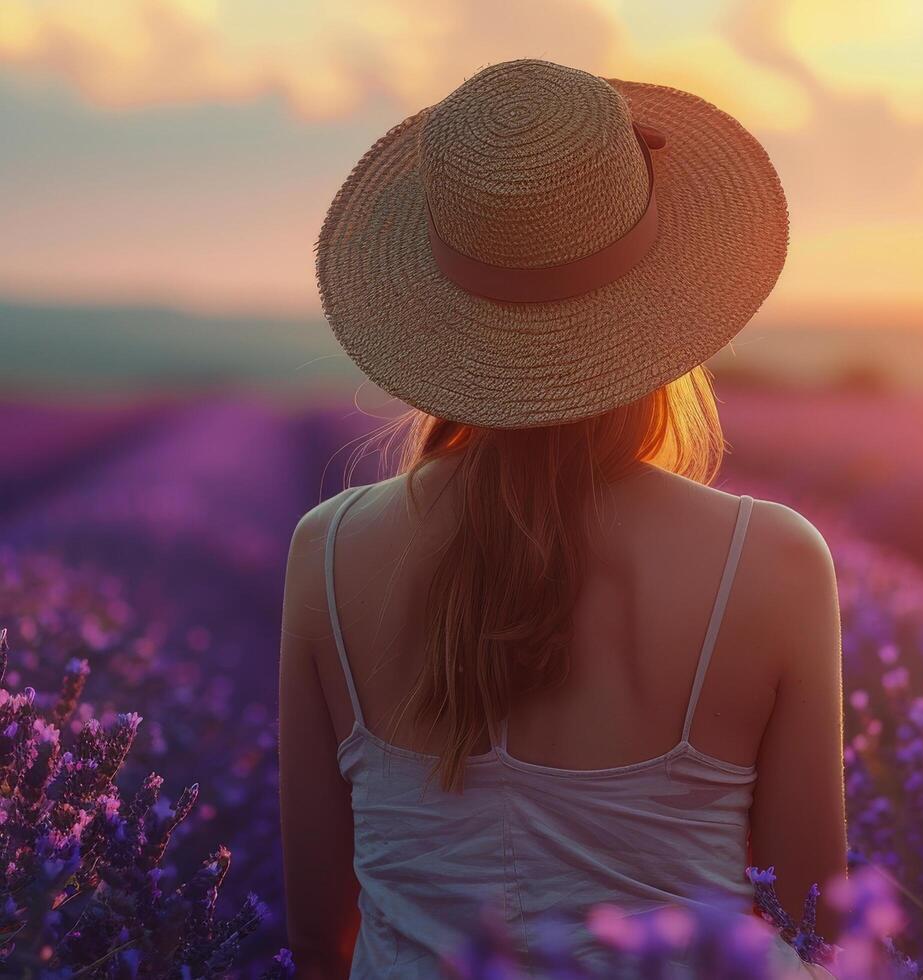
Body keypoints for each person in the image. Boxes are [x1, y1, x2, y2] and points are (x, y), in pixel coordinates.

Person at [278, 58, 845, 977]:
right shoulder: (771, 560)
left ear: (436, 309)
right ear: (669, 303)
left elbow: (315, 937)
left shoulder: (330, 551)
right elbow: (820, 920)